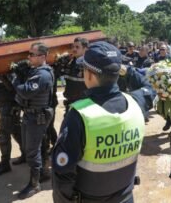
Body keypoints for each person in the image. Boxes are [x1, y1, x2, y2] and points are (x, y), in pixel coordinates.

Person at [52, 41, 145, 203]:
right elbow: (147, 85)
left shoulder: (80, 115)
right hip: (126, 197)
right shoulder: (136, 102)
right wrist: (128, 70)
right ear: (117, 73)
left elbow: (63, 175)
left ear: (89, 74)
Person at [5, 42, 54, 199]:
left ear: (42, 56)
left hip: (37, 117)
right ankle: (43, 173)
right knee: (30, 148)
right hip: (30, 115)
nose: (29, 57)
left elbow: (25, 92)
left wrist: (14, 78)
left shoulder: (43, 74)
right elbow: (20, 93)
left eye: (32, 55)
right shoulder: (35, 72)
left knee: (32, 151)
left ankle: (35, 184)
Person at [62, 37, 89, 114]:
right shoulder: (68, 63)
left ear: (85, 49)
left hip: (85, 105)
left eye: (77, 47)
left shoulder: (89, 65)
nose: (74, 49)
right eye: (73, 47)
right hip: (70, 103)